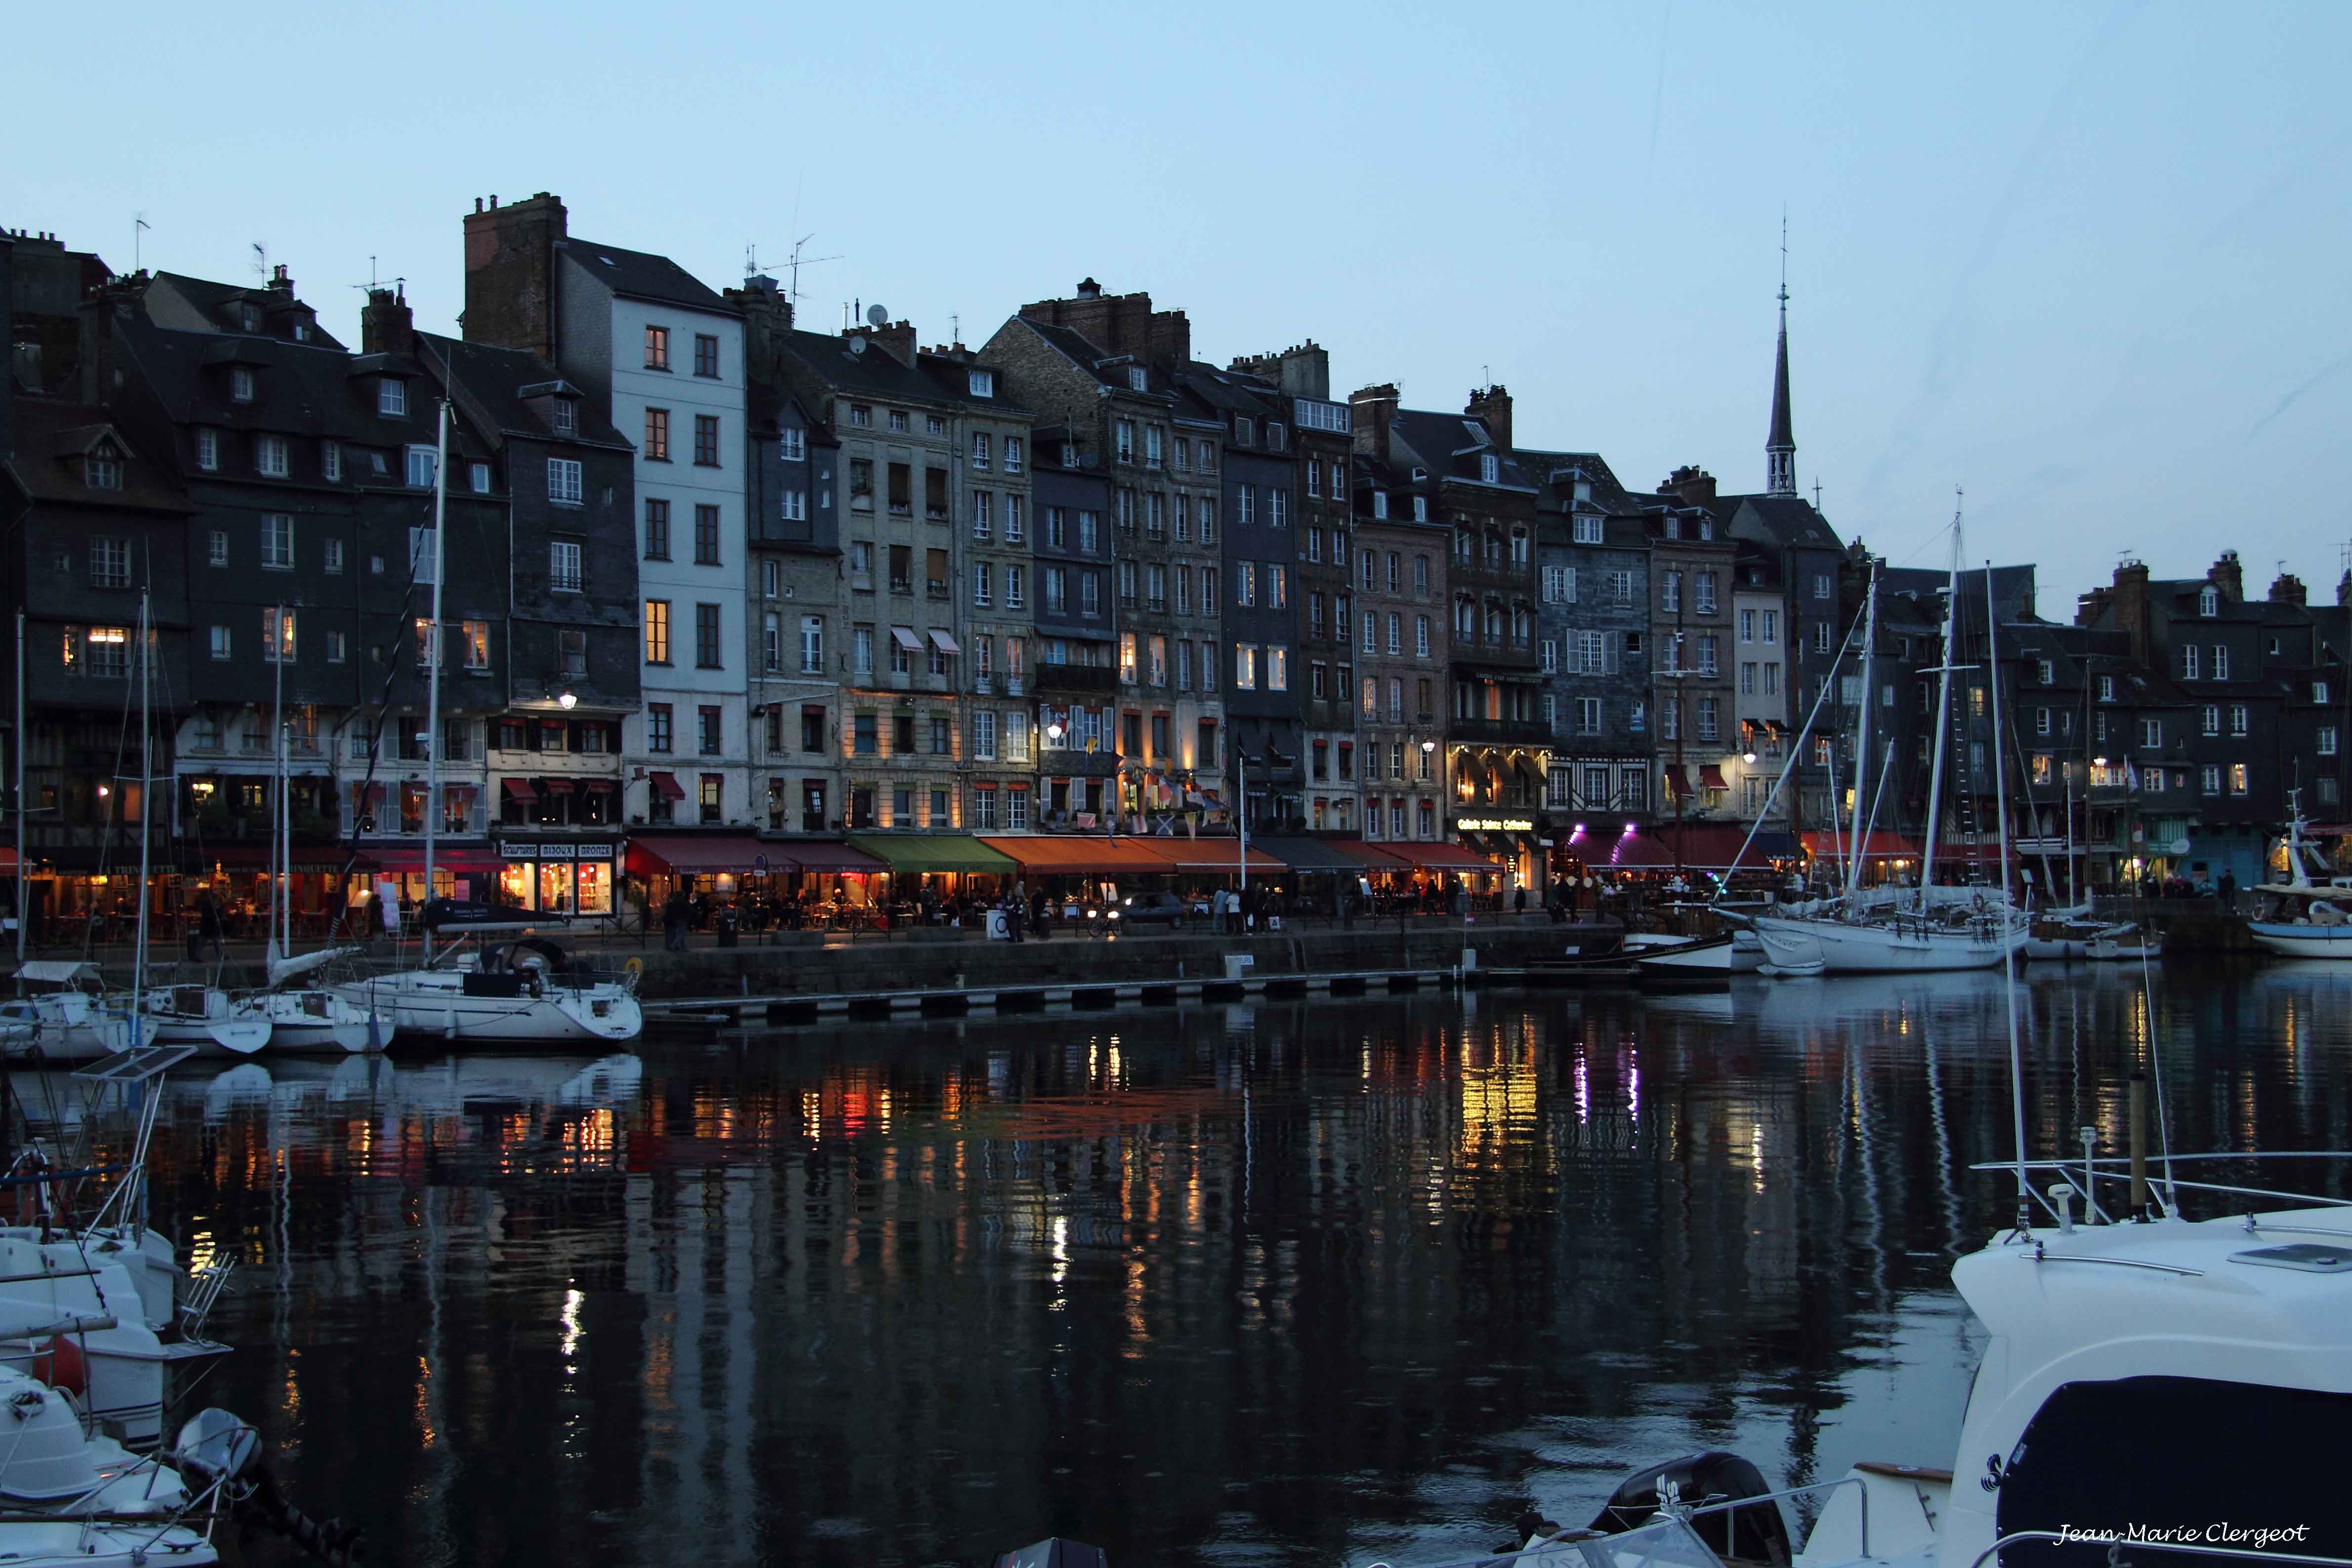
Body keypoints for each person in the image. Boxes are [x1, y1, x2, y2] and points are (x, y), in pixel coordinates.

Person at [194, 888, 226, 963]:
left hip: (207, 925)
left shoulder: (205, 903)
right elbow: (218, 912)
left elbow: (206, 913)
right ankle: (220, 955)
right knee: (215, 941)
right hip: (211, 925)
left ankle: (198, 955)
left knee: (205, 941)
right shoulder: (212, 903)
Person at [663, 888, 691, 952]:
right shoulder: (682, 901)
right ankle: (674, 946)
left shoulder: (673, 901)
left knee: (678, 933)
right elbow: (689, 909)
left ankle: (682, 947)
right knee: (681, 933)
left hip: (674, 920)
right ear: (683, 895)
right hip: (682, 919)